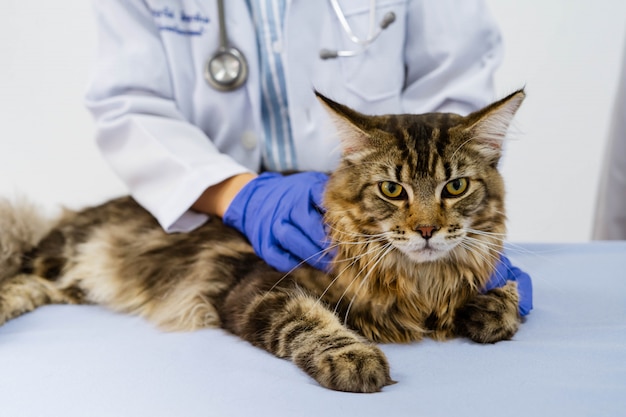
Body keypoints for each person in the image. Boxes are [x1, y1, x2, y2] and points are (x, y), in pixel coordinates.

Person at [85, 0, 532, 315]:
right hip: (216, 218)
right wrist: (241, 197)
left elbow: (455, 76)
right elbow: (129, 103)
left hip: (377, 234)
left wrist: (464, 255)